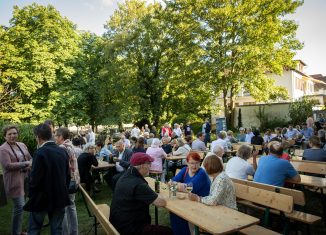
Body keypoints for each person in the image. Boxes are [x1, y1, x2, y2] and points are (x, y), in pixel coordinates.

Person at [109, 152, 172, 235]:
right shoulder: (138, 184)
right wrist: (160, 195)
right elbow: (160, 203)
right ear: (142, 165)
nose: (150, 166)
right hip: (130, 228)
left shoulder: (125, 176)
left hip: (118, 221)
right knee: (168, 232)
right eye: (149, 164)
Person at [24, 124, 70, 234]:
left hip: (41, 197)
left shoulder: (40, 152)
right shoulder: (62, 151)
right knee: (57, 229)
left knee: (34, 228)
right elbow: (67, 175)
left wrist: (31, 194)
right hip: (59, 196)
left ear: (38, 137)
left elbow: (35, 179)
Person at [0, 125, 32, 235]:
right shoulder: (3, 149)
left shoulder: (22, 145)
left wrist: (30, 162)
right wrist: (25, 164)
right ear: (5, 136)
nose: (13, 135)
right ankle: (15, 232)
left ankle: (18, 230)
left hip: (26, 178)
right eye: (9, 134)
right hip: (14, 181)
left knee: (22, 207)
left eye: (14, 133)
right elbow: (7, 165)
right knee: (19, 207)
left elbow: (29, 158)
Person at [170, 152, 211, 235]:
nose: (194, 166)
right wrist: (177, 188)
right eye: (192, 163)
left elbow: (189, 188)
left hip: (201, 203)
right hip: (189, 200)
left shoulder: (201, 173)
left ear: (200, 163)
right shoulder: (185, 170)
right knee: (174, 211)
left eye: (197, 163)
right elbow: (171, 182)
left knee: (179, 213)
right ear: (187, 163)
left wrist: (178, 186)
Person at [54, 127, 80, 235]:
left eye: (56, 135)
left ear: (61, 136)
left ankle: (65, 233)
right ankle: (74, 232)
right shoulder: (70, 145)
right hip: (74, 180)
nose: (54, 137)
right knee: (71, 207)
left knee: (63, 208)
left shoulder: (61, 148)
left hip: (66, 181)